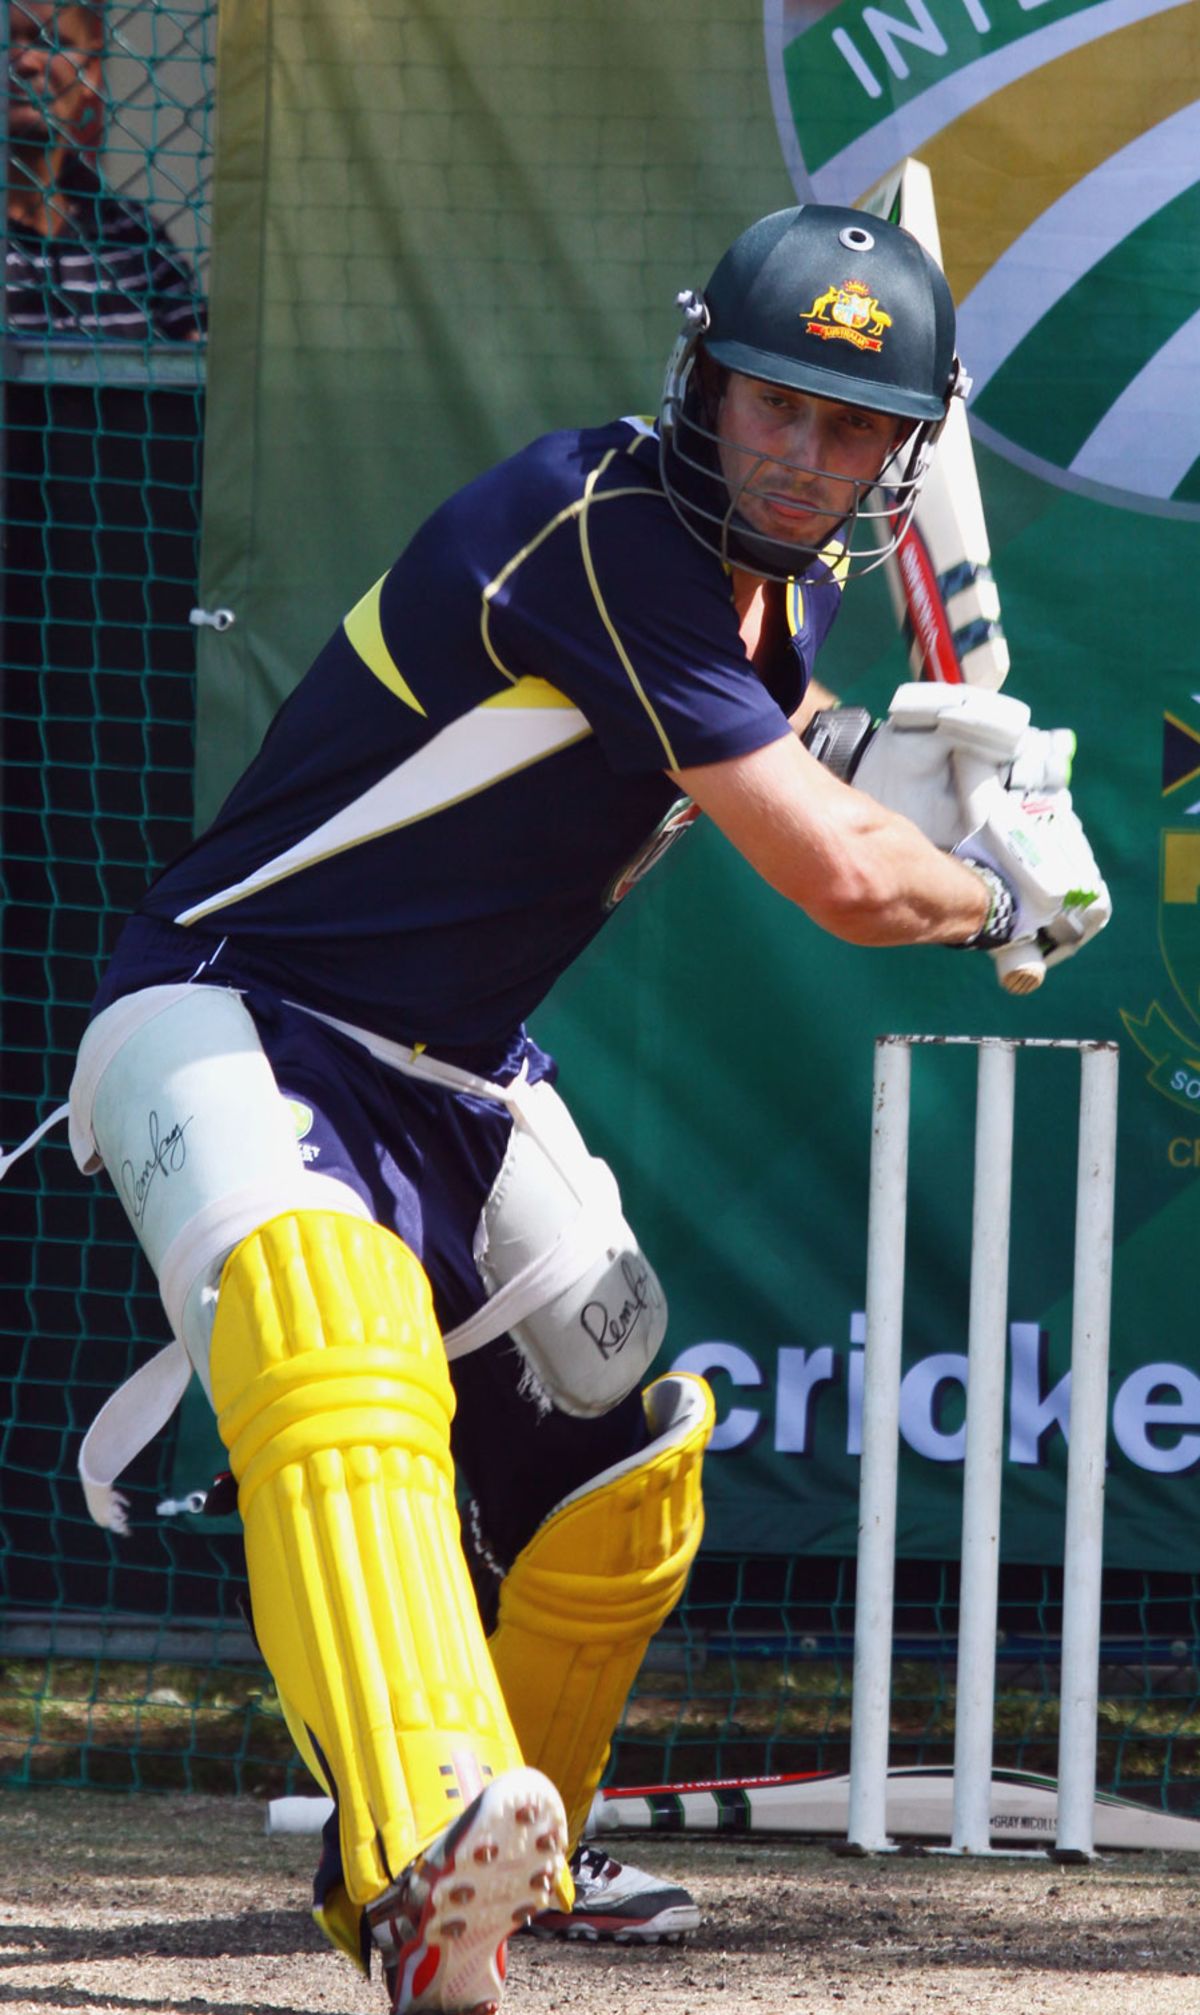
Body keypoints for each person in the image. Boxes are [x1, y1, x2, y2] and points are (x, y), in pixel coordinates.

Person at [57, 204, 1108, 2014]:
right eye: (770, 402)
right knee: (341, 1354)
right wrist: (1002, 885)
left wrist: (901, 761)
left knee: (622, 1462)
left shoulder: (786, 585)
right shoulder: (605, 525)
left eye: (851, 429)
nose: (800, 454)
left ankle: (515, 1851)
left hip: (457, 1072)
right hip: (240, 1016)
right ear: (700, 381)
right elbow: (851, 887)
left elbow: (764, 729)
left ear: (898, 454)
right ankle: (412, 1860)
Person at [5, 0, 204, 340]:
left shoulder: (135, 238)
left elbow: (198, 363)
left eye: (50, 42)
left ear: (91, 72)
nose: (25, 62)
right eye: (4, 41)